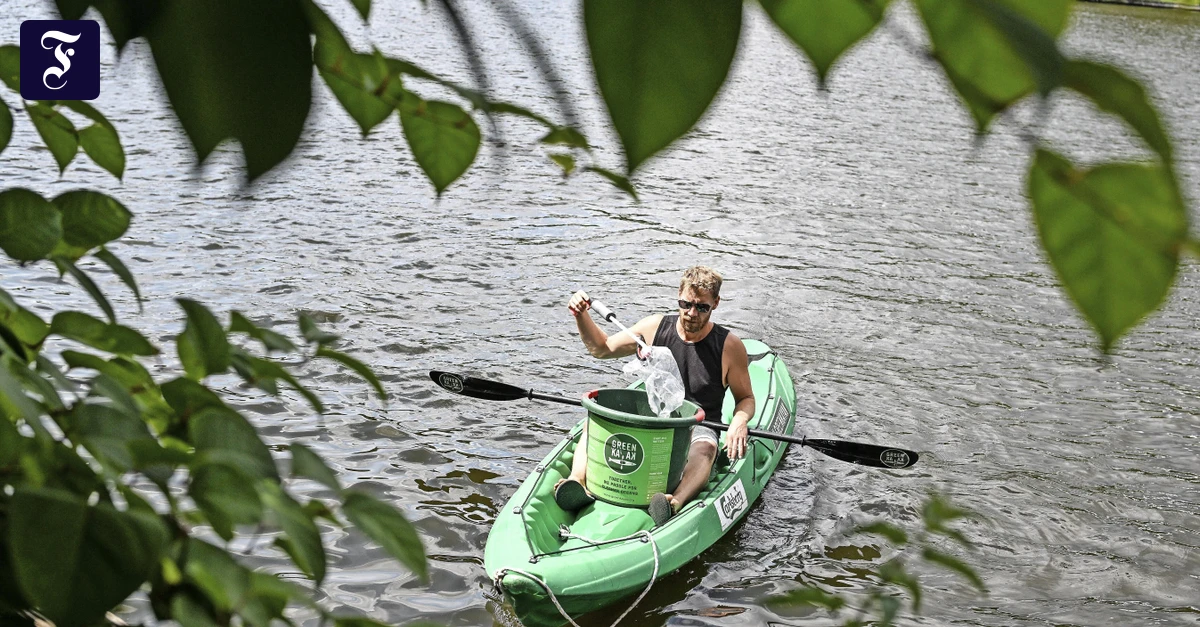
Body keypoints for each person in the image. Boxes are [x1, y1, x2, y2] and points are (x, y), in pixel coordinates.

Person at [557, 266, 755, 525]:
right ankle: (577, 482)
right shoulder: (654, 328)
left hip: (699, 424)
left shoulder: (729, 346)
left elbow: (746, 399)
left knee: (706, 450)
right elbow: (602, 348)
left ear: (716, 303)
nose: (691, 313)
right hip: (654, 417)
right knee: (593, 423)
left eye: (702, 307)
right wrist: (581, 315)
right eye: (685, 304)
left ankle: (673, 503)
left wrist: (739, 422)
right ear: (678, 296)